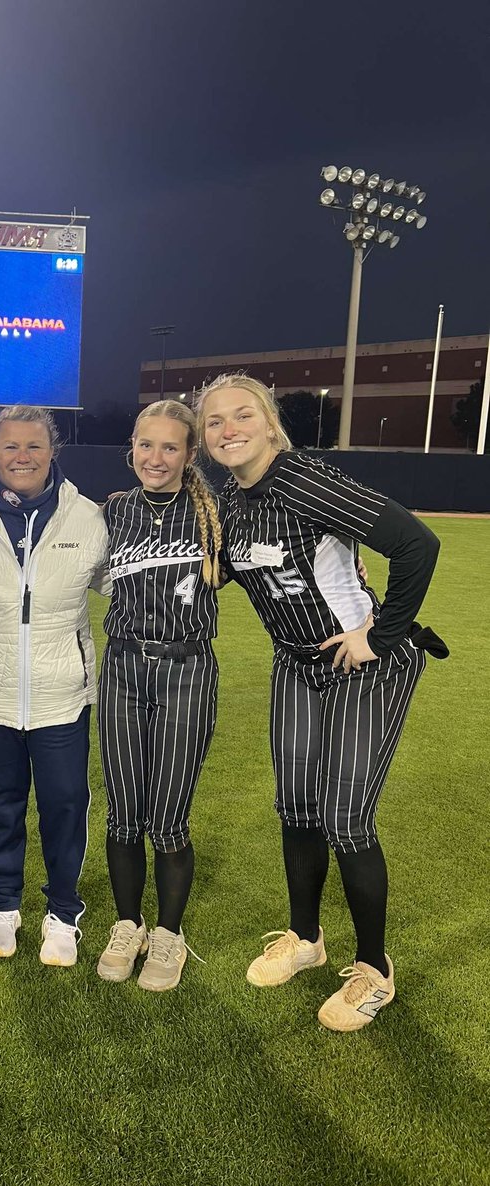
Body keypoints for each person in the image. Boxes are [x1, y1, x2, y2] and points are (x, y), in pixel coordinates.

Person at [197, 373, 446, 1031]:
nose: (228, 429)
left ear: (269, 422)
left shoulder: (305, 479)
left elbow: (417, 544)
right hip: (295, 663)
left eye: (242, 414)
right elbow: (231, 569)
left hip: (363, 664)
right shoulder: (232, 499)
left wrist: (379, 636)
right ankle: (306, 939)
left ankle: (374, 970)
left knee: (345, 818)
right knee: (297, 808)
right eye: (215, 421)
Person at [0, 406, 109, 967]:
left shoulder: (87, 518)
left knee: (65, 804)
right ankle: (4, 903)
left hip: (62, 693)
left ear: (52, 450)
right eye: (10, 446)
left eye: (34, 446)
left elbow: (126, 584)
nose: (22, 457)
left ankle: (63, 912)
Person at [96, 400, 222, 991]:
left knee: (168, 818)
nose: (156, 457)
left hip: (187, 669)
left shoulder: (216, 517)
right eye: (146, 444)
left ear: (190, 454)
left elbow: (283, 556)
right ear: (132, 446)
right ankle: (129, 924)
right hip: (122, 668)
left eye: (170, 447)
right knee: (124, 813)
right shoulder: (113, 511)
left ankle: (169, 934)